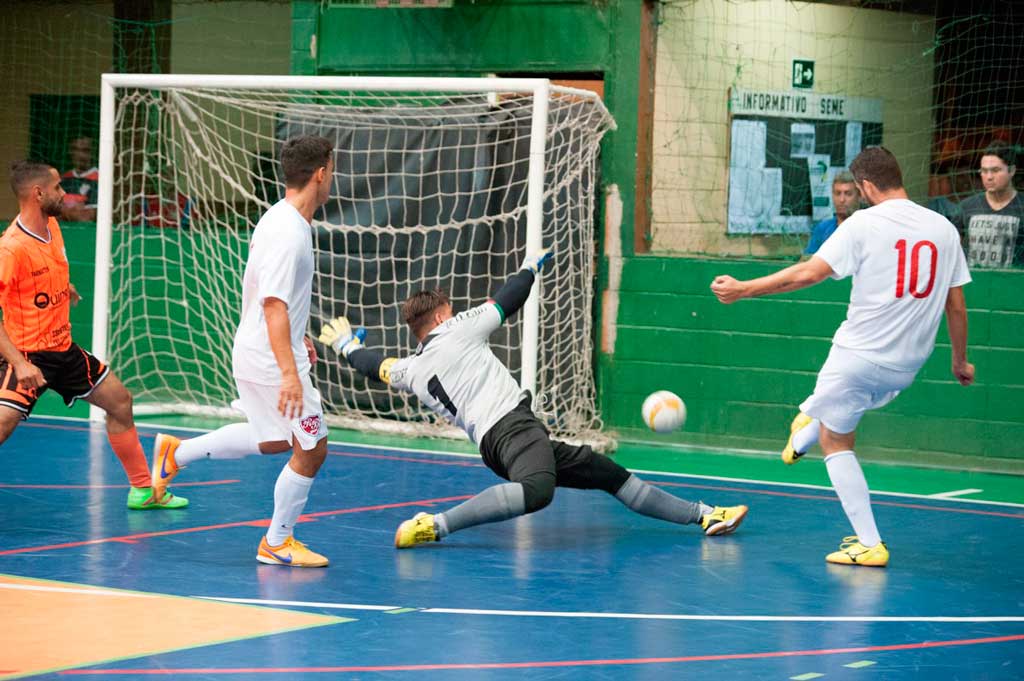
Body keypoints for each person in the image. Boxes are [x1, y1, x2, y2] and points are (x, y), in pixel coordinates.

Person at [318, 251, 749, 549]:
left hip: (499, 445)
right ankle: (435, 525)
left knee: (608, 473)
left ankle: (705, 514)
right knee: (538, 492)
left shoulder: (412, 369)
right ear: (442, 313)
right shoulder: (458, 328)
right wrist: (528, 269)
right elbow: (507, 301)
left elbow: (375, 365)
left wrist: (345, 348)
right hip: (513, 428)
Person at [711, 146, 974, 568]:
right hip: (907, 366)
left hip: (857, 356)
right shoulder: (944, 228)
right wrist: (960, 362)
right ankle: (807, 428)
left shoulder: (863, 223)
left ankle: (869, 542)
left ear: (866, 186)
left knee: (837, 439)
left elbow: (807, 274)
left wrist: (744, 288)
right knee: (845, 407)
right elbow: (955, 306)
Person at [150, 136, 335, 568]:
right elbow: (273, 304)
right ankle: (276, 542)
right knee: (313, 447)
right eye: (333, 170)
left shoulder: (281, 219)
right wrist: (290, 373)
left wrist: (296, 335)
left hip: (260, 350)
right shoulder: (289, 232)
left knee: (274, 439)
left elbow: (266, 298)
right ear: (321, 174)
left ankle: (176, 454)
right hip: (271, 362)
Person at [1, 161, 186, 509]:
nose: (63, 193)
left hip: (63, 350)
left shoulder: (52, 226)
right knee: (3, 425)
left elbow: (40, 277)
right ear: (38, 194)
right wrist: (17, 363)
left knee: (120, 403)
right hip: (26, 357)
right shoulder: (11, 248)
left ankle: (143, 491)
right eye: (57, 188)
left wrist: (62, 286)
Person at [953, 142, 1023, 268]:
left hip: (1015, 284)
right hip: (974, 283)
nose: (989, 177)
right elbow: (951, 247)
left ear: (1011, 171)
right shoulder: (967, 207)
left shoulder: (1021, 206)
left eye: (995, 170)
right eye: (984, 171)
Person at [805, 170, 860, 256]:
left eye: (848, 194)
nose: (842, 200)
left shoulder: (866, 227)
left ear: (859, 196)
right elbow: (808, 260)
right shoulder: (823, 228)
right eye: (837, 193)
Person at [60, 137, 98, 222]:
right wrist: (75, 211)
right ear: (70, 152)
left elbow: (87, 218)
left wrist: (63, 210)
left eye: (85, 150)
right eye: (75, 149)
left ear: (92, 153)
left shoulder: (100, 179)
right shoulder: (64, 179)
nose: (80, 155)